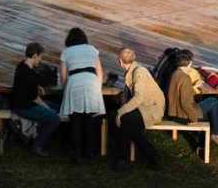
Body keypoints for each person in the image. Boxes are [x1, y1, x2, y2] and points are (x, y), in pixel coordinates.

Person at [113, 48, 165, 171]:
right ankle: (151, 156)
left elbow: (138, 98)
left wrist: (120, 111)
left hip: (152, 109)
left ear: (120, 61)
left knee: (125, 120)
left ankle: (123, 159)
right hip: (144, 107)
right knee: (129, 125)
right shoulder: (133, 71)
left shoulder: (138, 72)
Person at [59, 27, 105, 162]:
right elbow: (100, 72)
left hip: (74, 82)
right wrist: (98, 88)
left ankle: (77, 154)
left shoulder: (66, 52)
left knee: (75, 121)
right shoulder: (92, 49)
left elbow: (63, 76)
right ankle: (90, 152)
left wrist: (65, 90)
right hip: (91, 82)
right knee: (89, 120)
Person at [167, 50, 218, 151]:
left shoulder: (175, 74)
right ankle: (215, 134)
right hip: (183, 115)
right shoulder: (185, 78)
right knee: (213, 102)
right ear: (190, 63)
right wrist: (193, 118)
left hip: (174, 113)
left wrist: (193, 87)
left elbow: (181, 94)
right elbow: (185, 103)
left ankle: (206, 142)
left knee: (211, 106)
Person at [11, 42, 61, 156]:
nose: (40, 60)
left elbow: (27, 85)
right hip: (24, 107)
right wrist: (48, 109)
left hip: (19, 102)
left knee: (57, 107)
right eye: (40, 57)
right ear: (34, 56)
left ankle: (36, 134)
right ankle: (37, 145)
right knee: (54, 118)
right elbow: (36, 99)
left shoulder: (21, 65)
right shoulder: (30, 74)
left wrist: (37, 86)